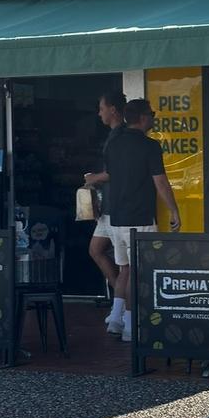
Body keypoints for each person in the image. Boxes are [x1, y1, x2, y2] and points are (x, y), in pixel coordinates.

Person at [104, 98, 181, 342]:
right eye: (152, 114)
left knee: (124, 269)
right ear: (144, 117)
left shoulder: (113, 144)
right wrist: (174, 210)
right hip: (140, 216)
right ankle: (130, 326)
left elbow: (109, 175)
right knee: (138, 273)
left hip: (115, 217)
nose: (154, 117)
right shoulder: (150, 146)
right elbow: (161, 183)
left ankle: (116, 319)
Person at [84, 90, 127, 308]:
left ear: (113, 109)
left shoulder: (120, 136)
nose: (99, 113)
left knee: (124, 263)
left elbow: (114, 172)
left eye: (101, 108)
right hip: (109, 205)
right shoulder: (114, 135)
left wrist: (93, 178)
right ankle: (120, 298)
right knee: (96, 250)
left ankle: (123, 304)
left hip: (118, 208)